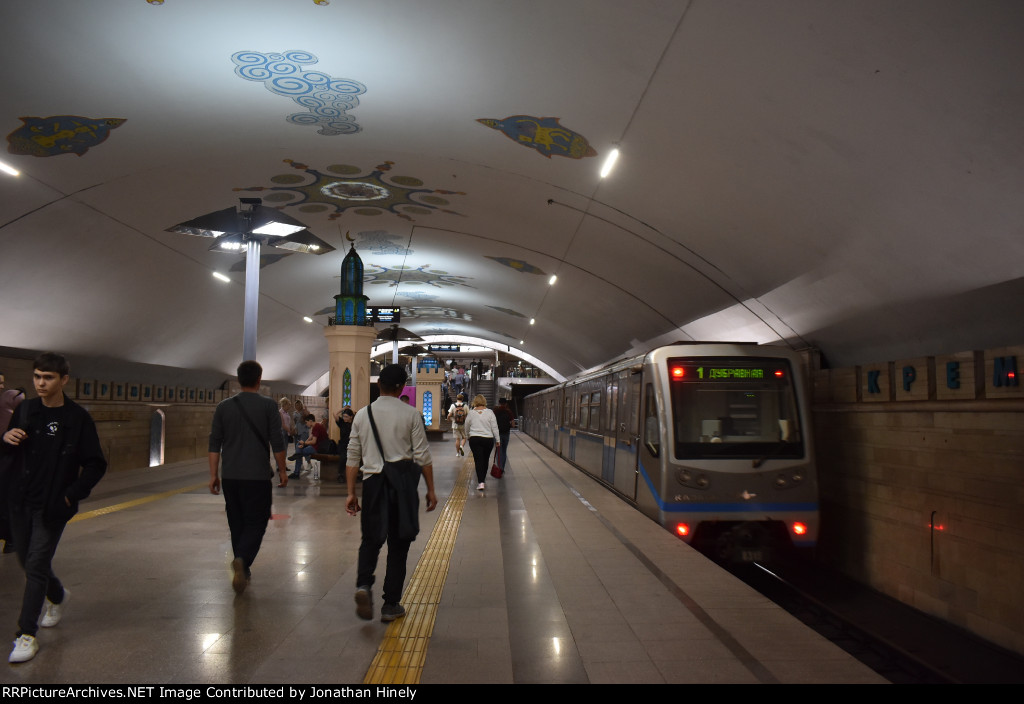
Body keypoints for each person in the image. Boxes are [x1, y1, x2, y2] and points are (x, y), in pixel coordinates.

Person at [1, 352, 107, 663]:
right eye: (37, 377)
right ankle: (57, 595)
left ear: (63, 380)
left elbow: (96, 464)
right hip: (20, 501)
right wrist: (6, 437)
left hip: (52, 506)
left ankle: (26, 634)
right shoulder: (26, 410)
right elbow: (7, 449)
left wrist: (71, 494)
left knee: (35, 565)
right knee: (25, 560)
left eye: (47, 378)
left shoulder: (76, 419)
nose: (40, 383)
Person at [345, 364, 437, 622]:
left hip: (373, 483)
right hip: (402, 486)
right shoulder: (411, 414)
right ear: (401, 387)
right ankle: (390, 604)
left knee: (371, 540)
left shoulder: (363, 414)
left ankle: (364, 585)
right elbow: (422, 456)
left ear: (378, 385)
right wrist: (430, 489)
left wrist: (351, 492)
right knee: (399, 544)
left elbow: (353, 455)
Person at [208, 360, 288, 595]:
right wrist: (282, 470)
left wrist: (213, 474)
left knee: (237, 522)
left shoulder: (223, 407)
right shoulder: (268, 406)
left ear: (239, 379)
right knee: (258, 520)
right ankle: (242, 559)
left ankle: (243, 567)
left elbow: (214, 443)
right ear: (258, 380)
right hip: (257, 476)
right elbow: (277, 442)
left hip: (231, 476)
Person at [464, 394, 500, 491]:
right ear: (484, 401)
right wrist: (498, 440)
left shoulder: (471, 413)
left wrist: (467, 436)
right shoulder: (490, 412)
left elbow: (466, 426)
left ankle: (481, 482)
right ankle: (482, 479)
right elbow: (494, 427)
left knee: (478, 460)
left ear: (475, 402)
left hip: (475, 439)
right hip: (488, 439)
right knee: (485, 459)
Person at [492, 398, 515, 472]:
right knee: (504, 451)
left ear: (499, 403)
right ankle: (502, 468)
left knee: (499, 451)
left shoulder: (495, 411)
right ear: (506, 403)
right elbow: (513, 424)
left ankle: (500, 467)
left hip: (497, 434)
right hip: (506, 434)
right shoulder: (509, 412)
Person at [334, 407, 354, 484]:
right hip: (342, 445)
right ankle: (340, 474)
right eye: (344, 416)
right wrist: (343, 409)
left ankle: (357, 474)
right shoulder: (342, 423)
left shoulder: (354, 424)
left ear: (351, 417)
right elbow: (335, 415)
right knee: (344, 456)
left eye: (346, 417)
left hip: (351, 445)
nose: (344, 418)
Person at [291, 399, 310, 477]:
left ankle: (308, 462)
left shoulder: (304, 412)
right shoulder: (294, 413)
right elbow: (295, 422)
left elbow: (307, 418)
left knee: (304, 448)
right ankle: (300, 464)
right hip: (297, 432)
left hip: (304, 432)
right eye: (296, 405)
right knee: (297, 449)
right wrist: (293, 429)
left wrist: (305, 412)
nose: (297, 406)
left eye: (298, 405)